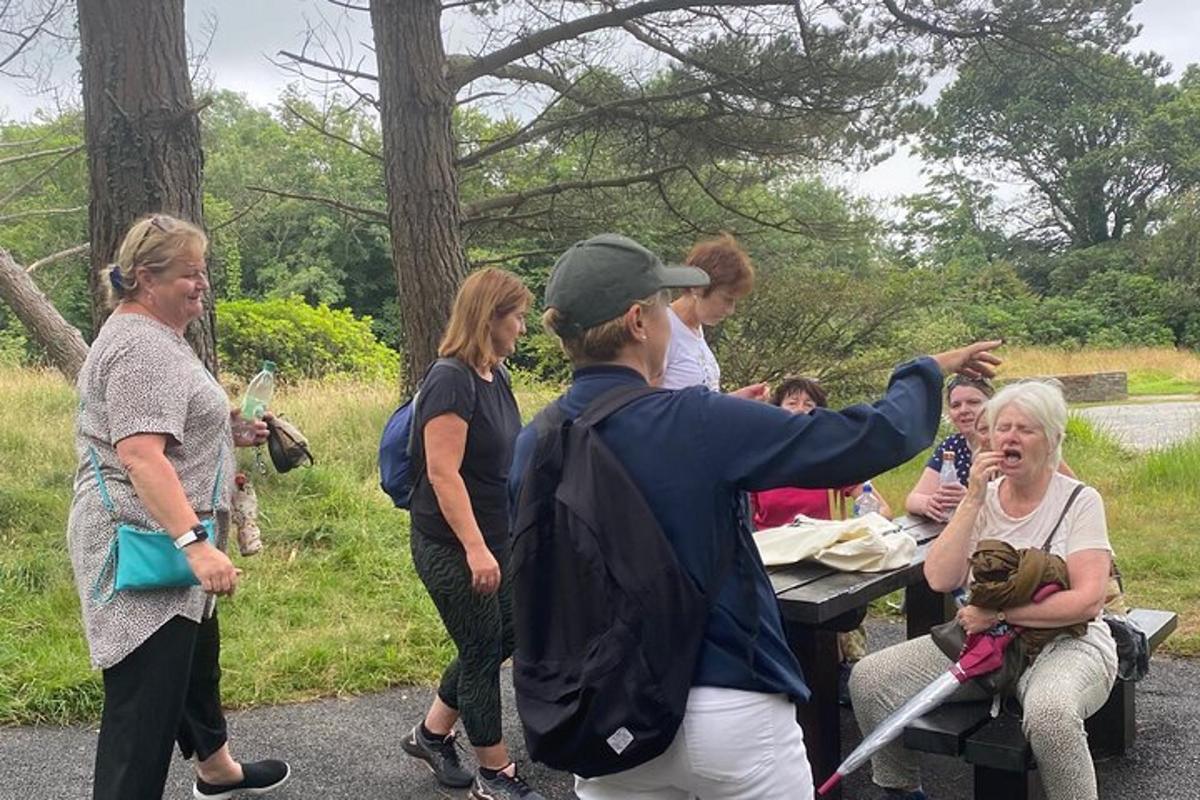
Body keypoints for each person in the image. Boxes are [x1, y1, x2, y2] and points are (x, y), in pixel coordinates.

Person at [508, 232, 1001, 800]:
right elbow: (866, 440)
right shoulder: (694, 420)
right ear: (639, 321)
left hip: (605, 717)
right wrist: (922, 371)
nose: (673, 321)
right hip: (727, 705)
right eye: (666, 306)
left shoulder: (535, 442)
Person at [67, 214, 290, 800]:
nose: (203, 284)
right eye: (190, 274)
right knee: (142, 709)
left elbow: (163, 432)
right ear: (145, 278)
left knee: (193, 659)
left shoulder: (156, 338)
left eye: (203, 271)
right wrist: (195, 545)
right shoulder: (145, 348)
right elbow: (141, 455)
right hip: (143, 542)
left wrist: (228, 431)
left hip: (161, 534)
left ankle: (217, 770)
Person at [850, 381, 1118, 800]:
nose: (1010, 437)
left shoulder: (1080, 501)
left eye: (1025, 429)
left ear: (1051, 440)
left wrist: (1000, 615)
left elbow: (1087, 601)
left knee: (1050, 716)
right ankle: (902, 789)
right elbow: (940, 579)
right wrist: (973, 500)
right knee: (869, 678)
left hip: (1066, 642)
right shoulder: (983, 498)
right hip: (986, 646)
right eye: (1002, 428)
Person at [400, 268, 545, 800]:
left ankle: (432, 732)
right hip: (452, 544)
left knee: (506, 635)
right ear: (490, 318)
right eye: (517, 317)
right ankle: (494, 774)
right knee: (483, 650)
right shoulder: (450, 378)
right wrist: (476, 547)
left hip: (495, 535)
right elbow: (442, 472)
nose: (522, 329)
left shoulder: (494, 374)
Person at [750, 376, 894, 528]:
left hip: (819, 546)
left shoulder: (829, 457)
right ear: (777, 410)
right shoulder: (761, 458)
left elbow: (884, 511)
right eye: (792, 403)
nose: (800, 409)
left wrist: (852, 527)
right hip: (771, 547)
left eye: (808, 404)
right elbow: (742, 523)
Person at [660, 232, 768, 400]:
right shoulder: (661, 328)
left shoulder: (696, 331)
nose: (730, 310)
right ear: (697, 287)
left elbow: (701, 405)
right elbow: (648, 408)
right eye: (727, 299)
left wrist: (734, 401)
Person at [904, 375, 993, 522]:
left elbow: (1021, 506)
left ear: (993, 405)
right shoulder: (952, 446)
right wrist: (929, 503)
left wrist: (971, 500)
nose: (963, 410)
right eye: (956, 405)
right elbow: (913, 499)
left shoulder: (1006, 445)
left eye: (973, 402)